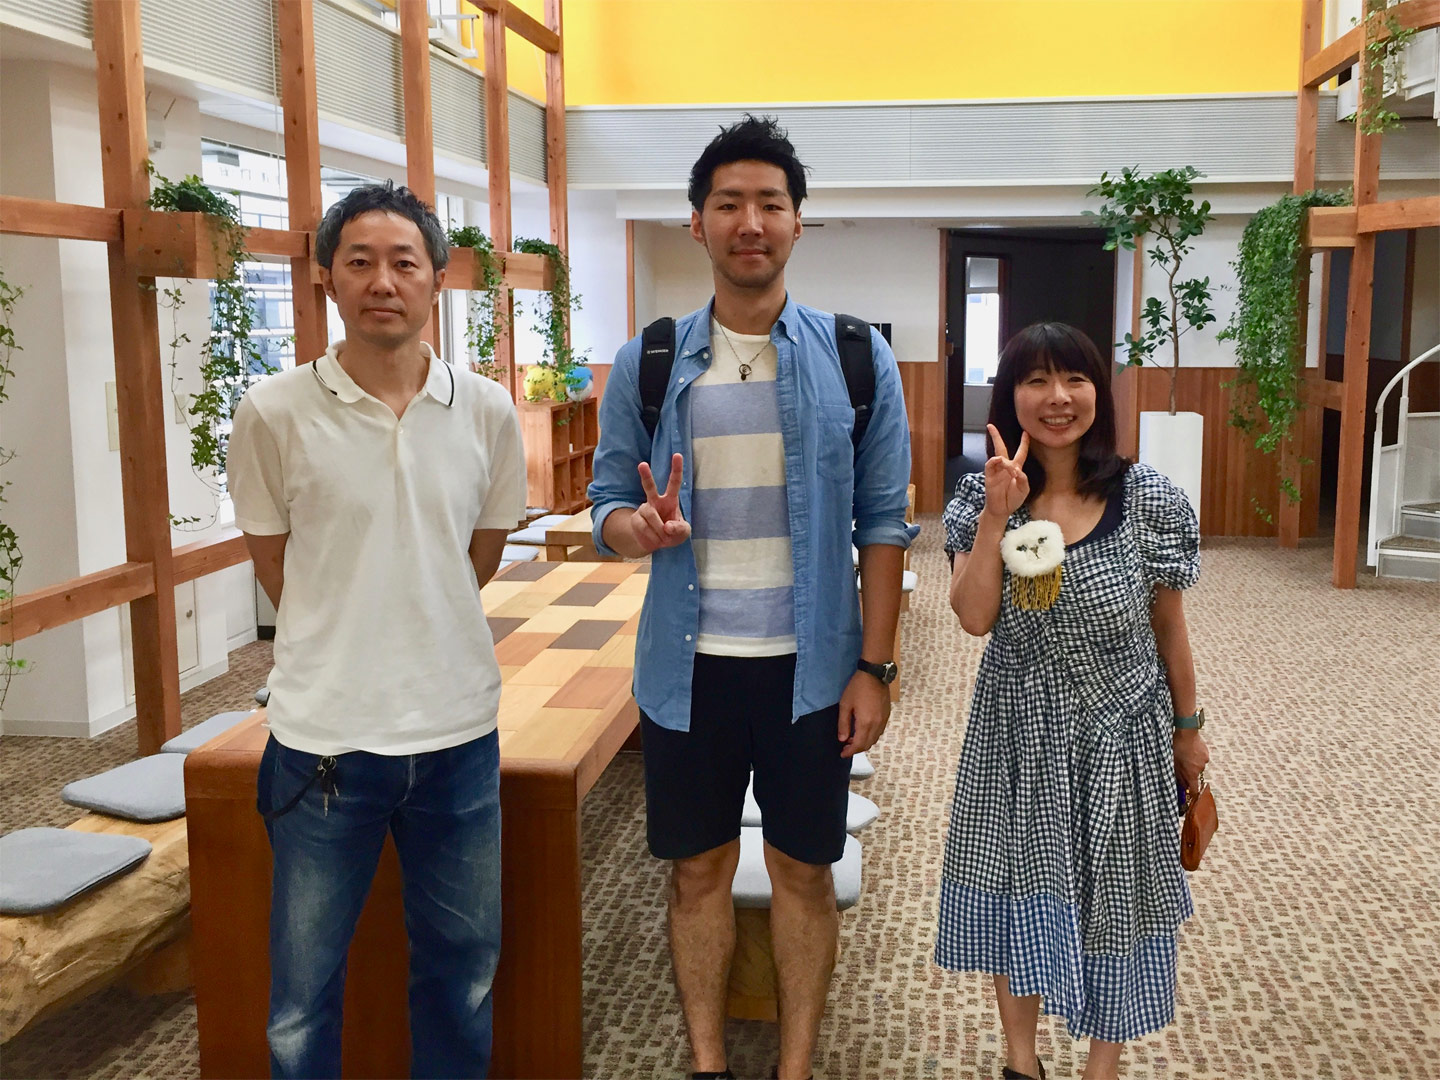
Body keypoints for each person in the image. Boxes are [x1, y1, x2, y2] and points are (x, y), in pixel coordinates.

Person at [588, 114, 917, 1080]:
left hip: (811, 673)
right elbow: (606, 503)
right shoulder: (649, 361)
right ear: (697, 223)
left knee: (803, 872)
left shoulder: (856, 358)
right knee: (696, 872)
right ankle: (706, 1062)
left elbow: (884, 524)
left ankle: (795, 1066)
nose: (750, 222)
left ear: (797, 222)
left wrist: (875, 667)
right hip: (687, 671)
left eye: (770, 203)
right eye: (728, 203)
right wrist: (636, 530)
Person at [228, 182, 526, 1079]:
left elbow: (475, 560)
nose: (382, 282)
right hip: (323, 740)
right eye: (359, 262)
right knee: (301, 997)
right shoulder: (273, 411)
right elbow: (278, 569)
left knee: (463, 978)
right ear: (327, 277)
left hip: (457, 736)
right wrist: (349, 628)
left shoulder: (487, 410)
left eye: (404, 263)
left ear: (439, 278)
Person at [935, 322, 1210, 1080]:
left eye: (1075, 380)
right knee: (1018, 888)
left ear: (1098, 394)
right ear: (1010, 397)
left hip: (1123, 731)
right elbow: (974, 618)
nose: (1057, 398)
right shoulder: (980, 497)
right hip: (1018, 732)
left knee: (1117, 899)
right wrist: (999, 515)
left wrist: (1188, 729)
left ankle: (1101, 1067)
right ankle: (1021, 1062)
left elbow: (1169, 625)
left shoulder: (1147, 499)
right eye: (1036, 381)